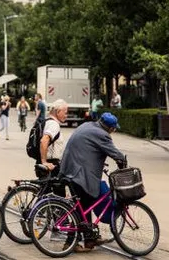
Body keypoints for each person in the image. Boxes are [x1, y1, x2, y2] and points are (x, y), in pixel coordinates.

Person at [59, 112, 127, 251]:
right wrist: (123, 162)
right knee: (82, 207)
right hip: (79, 174)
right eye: (114, 128)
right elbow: (115, 153)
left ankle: (90, 239)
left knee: (84, 206)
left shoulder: (87, 125)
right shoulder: (102, 135)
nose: (113, 131)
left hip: (69, 169)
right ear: (109, 128)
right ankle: (70, 242)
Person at [40, 100, 67, 173]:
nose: (66, 116)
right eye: (65, 113)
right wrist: (44, 162)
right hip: (51, 165)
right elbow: (44, 140)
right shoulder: (53, 124)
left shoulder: (47, 121)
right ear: (58, 111)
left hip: (49, 164)